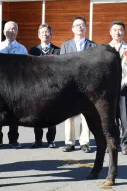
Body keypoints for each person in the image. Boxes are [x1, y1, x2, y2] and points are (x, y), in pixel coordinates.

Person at [60, 16, 97, 153]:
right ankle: (69, 142)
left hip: (87, 86)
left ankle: (84, 142)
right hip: (69, 86)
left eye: (82, 25)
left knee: (86, 114)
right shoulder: (65, 46)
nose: (79, 27)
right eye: (76, 25)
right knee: (68, 115)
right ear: (72, 29)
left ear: (86, 28)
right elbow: (61, 67)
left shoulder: (93, 46)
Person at [108, 21, 127, 155]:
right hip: (109, 89)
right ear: (110, 32)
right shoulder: (106, 48)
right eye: (115, 30)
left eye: (120, 30)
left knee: (125, 117)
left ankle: (126, 143)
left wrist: (124, 82)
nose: (117, 32)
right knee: (111, 117)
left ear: (124, 32)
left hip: (124, 88)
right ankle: (112, 143)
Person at [0, 21, 28, 148]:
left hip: (16, 85)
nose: (11, 31)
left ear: (17, 31)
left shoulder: (22, 49)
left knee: (14, 113)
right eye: (8, 29)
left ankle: (13, 139)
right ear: (4, 31)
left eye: (14, 29)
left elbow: (26, 69)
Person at [29, 23, 60, 148]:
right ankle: (38, 140)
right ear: (38, 35)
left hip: (53, 87)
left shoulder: (58, 50)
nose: (45, 34)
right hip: (37, 87)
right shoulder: (33, 50)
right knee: (37, 114)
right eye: (42, 32)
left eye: (47, 32)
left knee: (52, 114)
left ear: (51, 34)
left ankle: (51, 140)